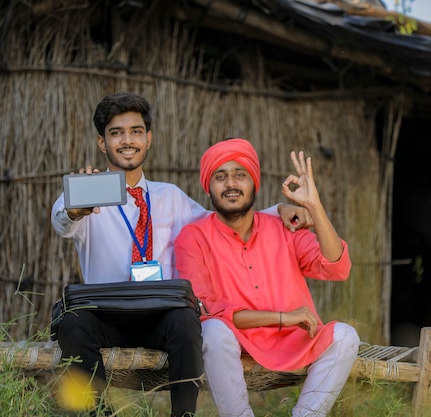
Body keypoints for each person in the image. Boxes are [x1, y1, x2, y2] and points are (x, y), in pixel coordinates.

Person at [51, 93, 312, 417]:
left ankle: (184, 415)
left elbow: (223, 220)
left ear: (148, 139)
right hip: (106, 315)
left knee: (189, 321)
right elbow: (61, 220)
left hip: (160, 314)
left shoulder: (170, 197)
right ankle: (98, 413)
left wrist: (280, 209)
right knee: (73, 324)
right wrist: (77, 207)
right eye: (116, 132)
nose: (127, 140)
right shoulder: (88, 194)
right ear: (102, 142)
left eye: (136, 131)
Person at [174, 138, 361, 417]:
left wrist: (314, 207)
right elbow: (206, 311)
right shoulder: (193, 238)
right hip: (237, 341)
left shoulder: (284, 227)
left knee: (346, 337)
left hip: (294, 341)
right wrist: (283, 317)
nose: (231, 184)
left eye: (240, 174)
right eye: (220, 176)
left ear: (254, 182)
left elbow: (337, 267)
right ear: (208, 186)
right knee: (212, 331)